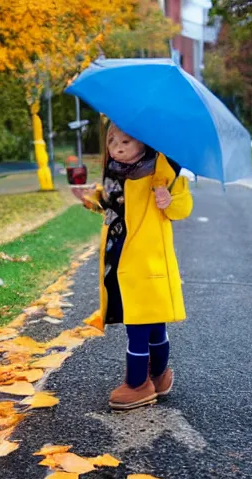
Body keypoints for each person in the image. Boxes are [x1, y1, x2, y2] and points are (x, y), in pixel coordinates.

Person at [76, 123, 193, 410]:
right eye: (112, 140)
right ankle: (160, 376)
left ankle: (138, 383)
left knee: (139, 324)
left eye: (126, 141)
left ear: (145, 142)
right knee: (153, 325)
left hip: (148, 260)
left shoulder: (163, 173)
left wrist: (169, 200)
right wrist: (89, 199)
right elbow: (109, 204)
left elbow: (183, 207)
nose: (116, 147)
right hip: (120, 257)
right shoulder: (116, 171)